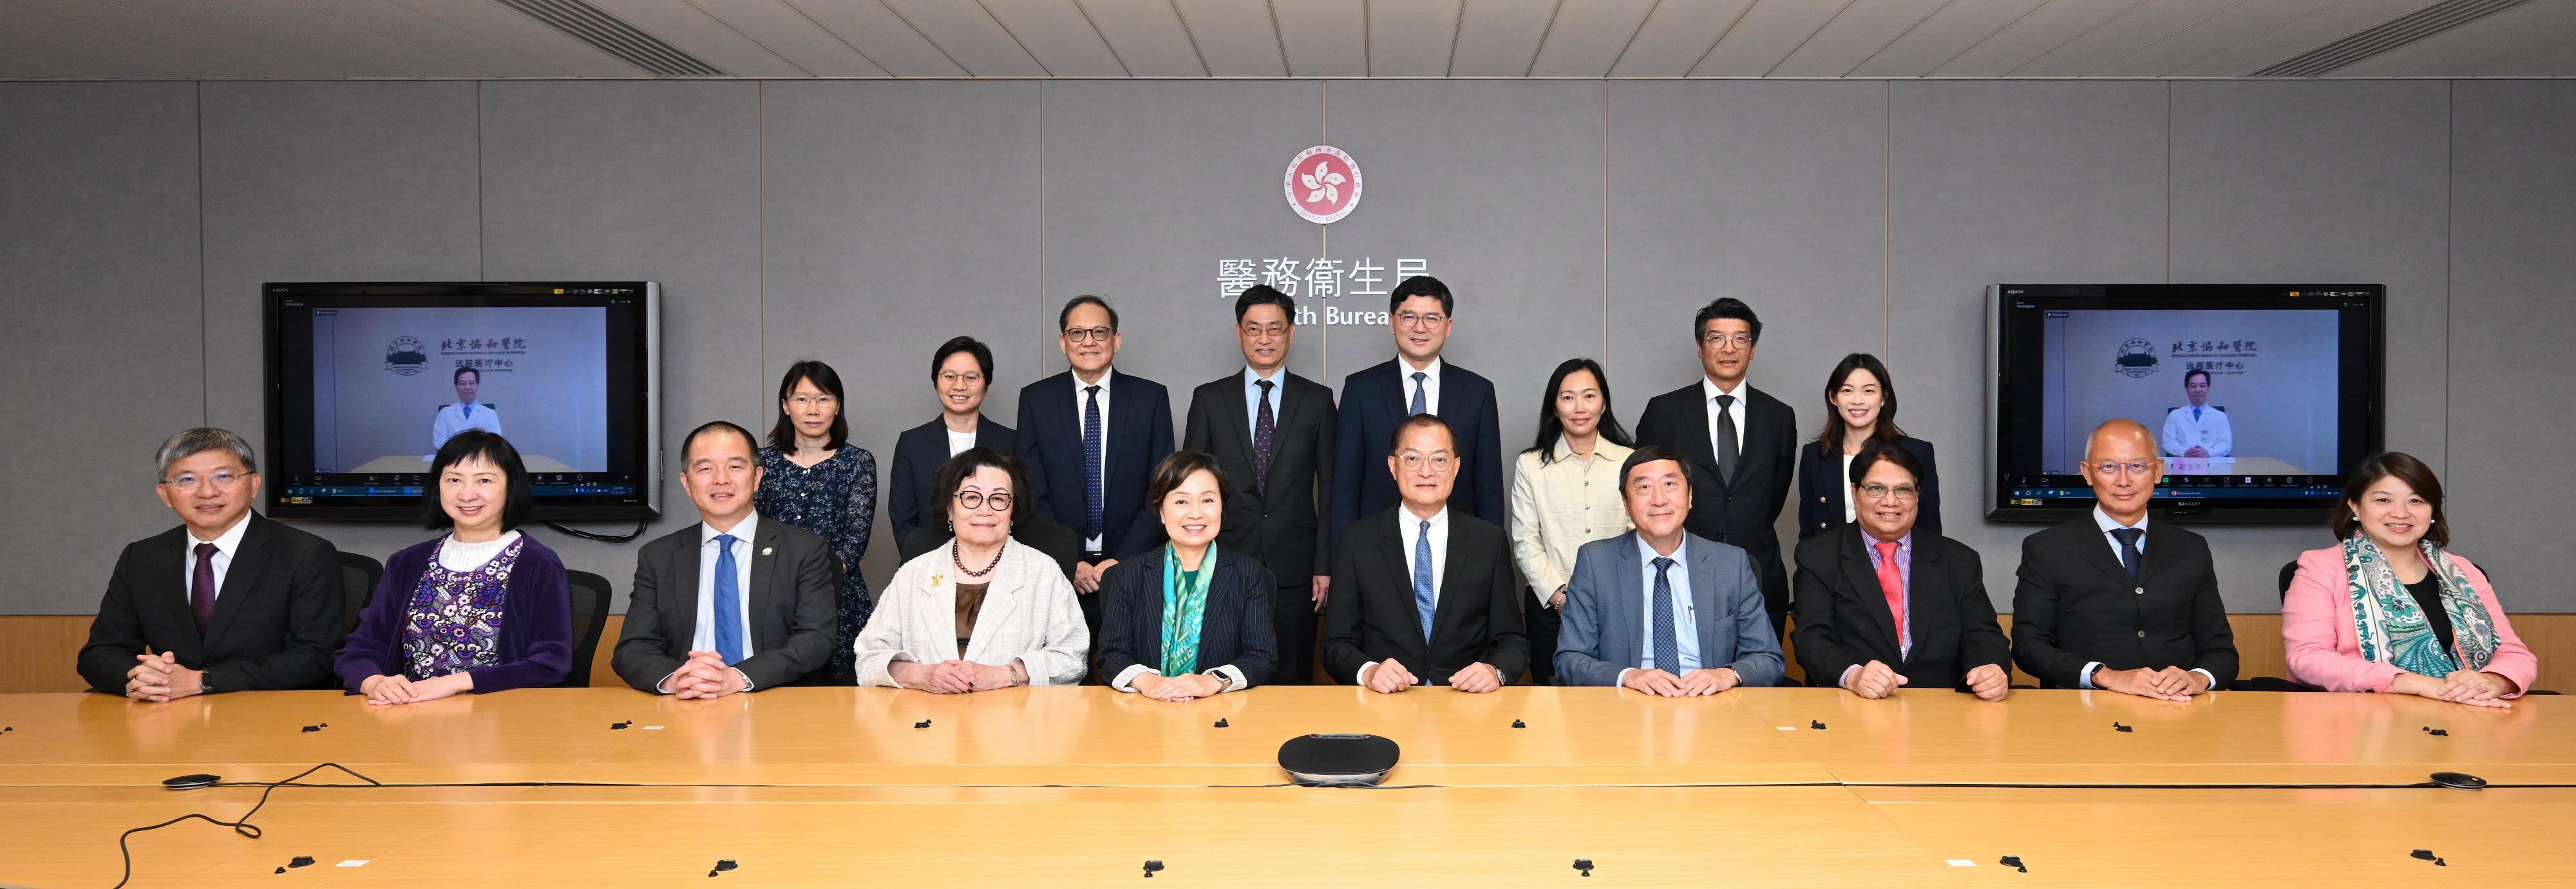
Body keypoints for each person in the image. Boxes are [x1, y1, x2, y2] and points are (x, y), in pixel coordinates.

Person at [79, 428, 344, 698]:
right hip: (170, 718)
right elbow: (100, 653)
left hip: (268, 715)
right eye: (187, 479)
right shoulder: (142, 557)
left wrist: (203, 681)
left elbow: (315, 657)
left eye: (224, 476)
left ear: (254, 485)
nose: (207, 492)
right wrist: (144, 677)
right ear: (165, 495)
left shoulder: (306, 554)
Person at [334, 431, 573, 702]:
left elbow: (551, 664)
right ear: (438, 487)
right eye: (454, 480)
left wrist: (457, 682)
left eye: (484, 480)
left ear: (511, 487)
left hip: (504, 720)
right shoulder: (406, 563)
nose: (467, 494)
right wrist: (373, 681)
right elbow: (361, 647)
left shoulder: (538, 564)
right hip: (410, 717)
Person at [2283, 452, 2535, 704]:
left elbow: (2514, 653)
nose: (2401, 513)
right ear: (2356, 506)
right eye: (2384, 500)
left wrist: (2493, 680)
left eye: (2416, 501)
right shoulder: (2320, 567)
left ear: (2432, 510)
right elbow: (2307, 658)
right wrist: (2413, 683)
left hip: (2468, 711)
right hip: (2359, 719)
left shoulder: (2464, 571)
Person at [2011, 419, 2237, 698]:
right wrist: (2105, 677)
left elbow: (2221, 651)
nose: (2124, 480)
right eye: (2108, 467)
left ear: (2159, 472)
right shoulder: (2046, 548)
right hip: (2081, 712)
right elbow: (2028, 646)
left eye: (2137, 466)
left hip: (2176, 710)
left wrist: (2197, 679)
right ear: (2087, 473)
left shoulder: (2191, 548)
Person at [611, 421, 840, 696]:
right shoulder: (659, 556)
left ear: (756, 478)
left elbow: (816, 640)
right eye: (705, 468)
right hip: (687, 703)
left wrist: (739, 677)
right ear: (686, 483)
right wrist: (677, 679)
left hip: (775, 703)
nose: (721, 479)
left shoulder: (804, 549)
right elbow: (633, 648)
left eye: (735, 466)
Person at [1182, 285, 1334, 685]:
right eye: (1254, 329)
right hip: (1224, 559)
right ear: (1239, 334)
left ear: (1291, 333)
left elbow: (1332, 487)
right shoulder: (1209, 399)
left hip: (1297, 565)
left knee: (1294, 673)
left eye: (1274, 329)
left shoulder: (1318, 401)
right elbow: (1188, 490)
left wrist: (1325, 564)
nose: (1264, 339)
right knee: (1222, 674)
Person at [1321, 415, 1528, 693]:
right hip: (1385, 704)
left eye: (1439, 460)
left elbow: (1512, 640)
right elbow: (1336, 645)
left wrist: (1495, 671)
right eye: (1413, 459)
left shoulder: (1488, 541)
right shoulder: (1357, 541)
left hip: (1466, 706)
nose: (1426, 472)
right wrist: (1369, 672)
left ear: (1456, 467)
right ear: (1393, 466)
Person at [1554, 446, 1784, 693]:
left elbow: (1768, 659)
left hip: (1711, 707)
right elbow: (1570, 659)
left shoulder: (1730, 564)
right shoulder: (1596, 563)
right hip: (1627, 708)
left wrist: (1727, 675)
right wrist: (1628, 676)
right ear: (1626, 502)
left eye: (1670, 485)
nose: (1659, 499)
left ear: (1690, 496)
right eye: (1644, 488)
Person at [1016, 295, 1174, 651]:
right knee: (1062, 687)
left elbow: (1163, 490)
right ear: (1062, 342)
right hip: (1059, 573)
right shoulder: (1036, 400)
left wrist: (1120, 563)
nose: (1088, 341)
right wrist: (1067, 560)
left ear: (1116, 340)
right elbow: (1029, 491)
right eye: (1077, 333)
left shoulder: (1150, 398)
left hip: (1133, 568)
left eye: (1099, 332)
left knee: (1135, 681)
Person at [857, 448, 1089, 689]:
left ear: (1012, 511)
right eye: (971, 497)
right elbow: (869, 658)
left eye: (999, 498)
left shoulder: (1044, 573)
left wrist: (1004, 675)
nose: (985, 510)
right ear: (949, 508)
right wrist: (924, 676)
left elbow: (1073, 658)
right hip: (926, 715)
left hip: (1015, 718)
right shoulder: (914, 574)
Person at [1790, 443, 2008, 700]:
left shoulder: (1958, 559)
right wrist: (1852, 675)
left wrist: (1991, 669)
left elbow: (1983, 634)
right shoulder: (1818, 556)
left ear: (1917, 496)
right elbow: (1812, 638)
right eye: (1876, 489)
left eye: (1903, 490)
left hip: (1943, 708)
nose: (1890, 501)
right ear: (1854, 491)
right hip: (1854, 706)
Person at [1633, 298, 1797, 636]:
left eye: (1741, 338)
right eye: (1717, 338)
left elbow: (1774, 495)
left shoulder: (1779, 417)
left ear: (1752, 350)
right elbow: (1645, 490)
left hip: (1760, 576)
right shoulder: (1664, 411)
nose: (1729, 348)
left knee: (1758, 680)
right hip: (1680, 574)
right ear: (1699, 347)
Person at [1330, 275, 1505, 535]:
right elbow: (1345, 487)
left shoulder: (1477, 392)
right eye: (1409, 317)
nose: (1420, 328)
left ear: (1448, 326)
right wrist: (1340, 561)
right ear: (1392, 322)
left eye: (1432, 318)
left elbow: (1489, 489)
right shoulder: (1360, 389)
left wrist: (1492, 560)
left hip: (1458, 542)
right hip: (1375, 543)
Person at [1097, 452, 1280, 700]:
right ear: (1161, 511)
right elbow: (1111, 654)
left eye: (1207, 501)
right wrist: (1150, 683)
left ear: (1222, 507)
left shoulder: (1249, 574)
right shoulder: (1127, 574)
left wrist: (1212, 682)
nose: (1196, 514)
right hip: (1144, 711)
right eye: (1181, 502)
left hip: (1221, 712)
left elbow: (1261, 656)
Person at [1507, 358, 1636, 685]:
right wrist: (1561, 598)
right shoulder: (1531, 465)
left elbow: (1640, 535)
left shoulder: (1630, 462)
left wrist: (1606, 599)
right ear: (1555, 405)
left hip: (1618, 607)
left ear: (1604, 403)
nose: (1580, 407)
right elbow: (1525, 542)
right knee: (1551, 706)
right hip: (1550, 608)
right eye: (1568, 397)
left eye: (1589, 396)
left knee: (1619, 697)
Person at [755, 359, 878, 684]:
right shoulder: (761, 463)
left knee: (844, 704)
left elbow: (856, 538)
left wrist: (818, 585)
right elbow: (751, 528)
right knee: (773, 692)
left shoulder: (858, 461)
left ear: (837, 407)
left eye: (824, 399)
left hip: (839, 595)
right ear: (785, 405)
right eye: (802, 399)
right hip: (772, 595)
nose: (813, 409)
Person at [1797, 353, 1941, 540]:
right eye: (1847, 391)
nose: (1857, 401)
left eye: (1869, 391)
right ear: (1834, 397)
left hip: (1897, 566)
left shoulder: (1916, 453)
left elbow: (1929, 531)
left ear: (1884, 398)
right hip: (1831, 567)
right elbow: (1809, 534)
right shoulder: (1815, 455)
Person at [891, 337, 1016, 542]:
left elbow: (1021, 516)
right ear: (936, 382)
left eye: (971, 377)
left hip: (998, 566)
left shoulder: (1011, 442)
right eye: (949, 376)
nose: (959, 386)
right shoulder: (912, 443)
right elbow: (903, 522)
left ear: (986, 385)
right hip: (929, 568)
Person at [427, 366, 503, 459]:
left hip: (481, 459)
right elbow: (439, 440)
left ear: (477, 386)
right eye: (463, 384)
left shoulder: (490, 413)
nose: (467, 387)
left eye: (472, 383)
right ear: (456, 387)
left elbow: (495, 440)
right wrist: (459, 452)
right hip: (453, 459)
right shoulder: (445, 413)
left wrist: (475, 453)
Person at [2159, 368, 2233, 458]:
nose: (2198, 390)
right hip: (2183, 464)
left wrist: (2208, 453)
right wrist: (2184, 452)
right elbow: (2168, 442)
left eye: (2202, 386)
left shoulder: (2220, 416)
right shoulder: (2175, 415)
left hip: (2212, 464)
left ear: (2208, 388)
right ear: (2187, 389)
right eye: (2193, 386)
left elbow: (2225, 444)